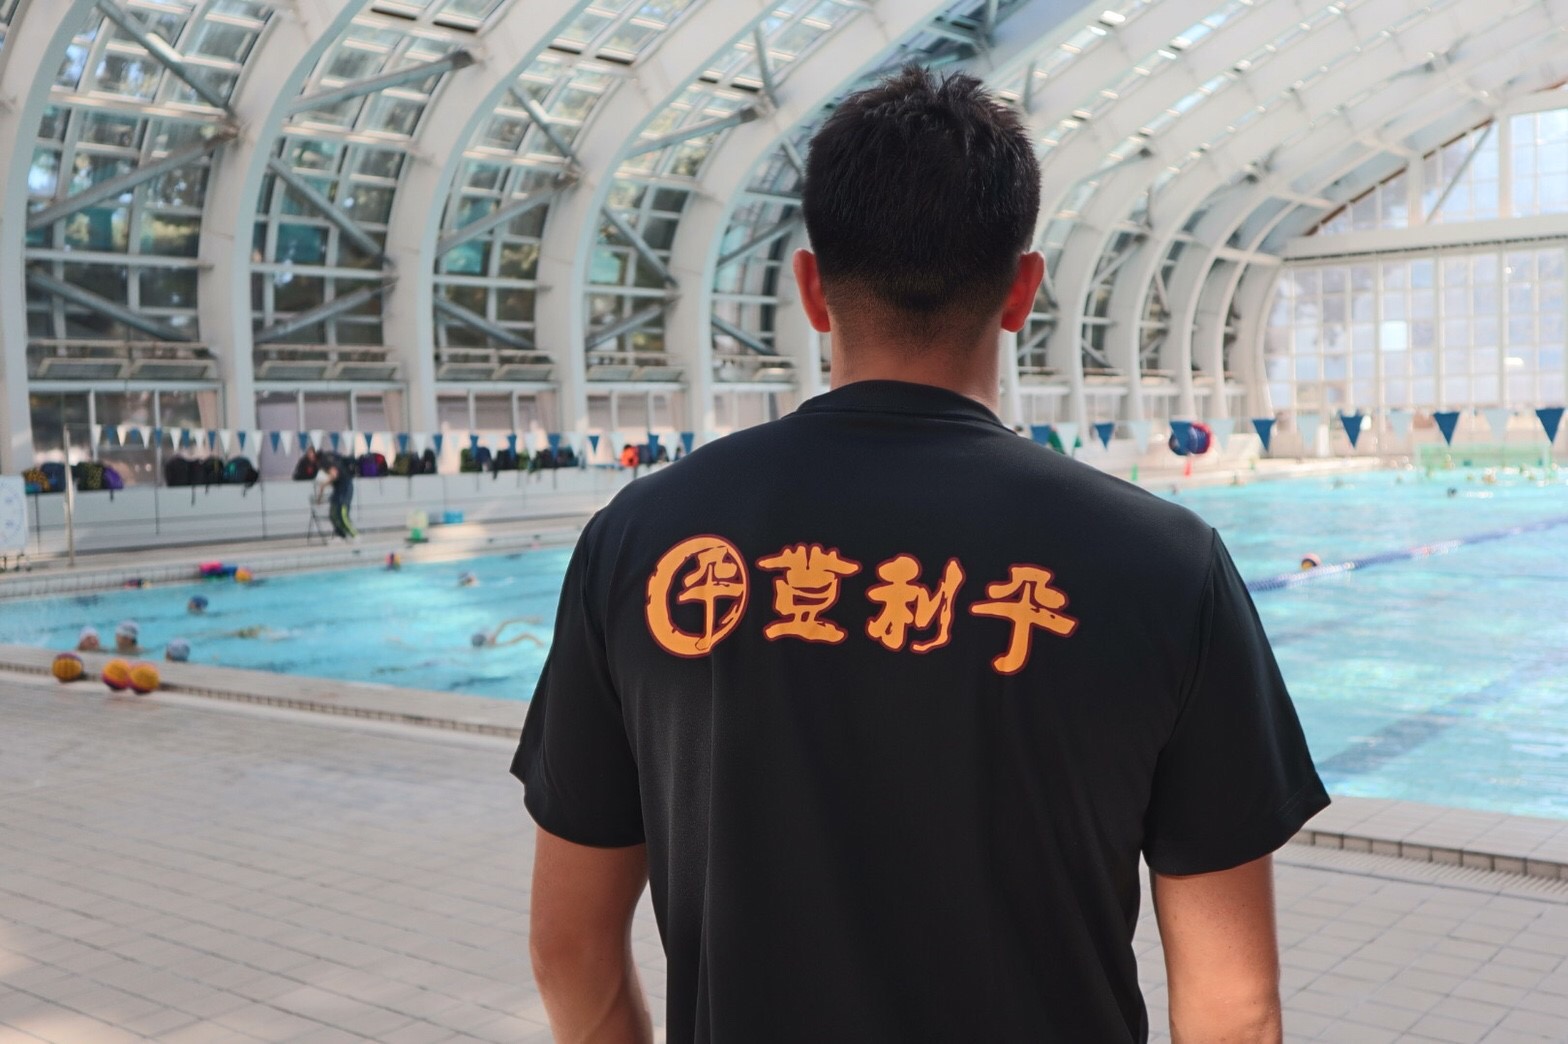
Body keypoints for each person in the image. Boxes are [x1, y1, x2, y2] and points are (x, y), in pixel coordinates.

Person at [514, 68, 1326, 1044]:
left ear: (811, 289)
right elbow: (1234, 1008)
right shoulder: (1167, 564)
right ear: (1022, 290)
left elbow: (569, 948)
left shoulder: (641, 542)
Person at [316, 455, 358, 541]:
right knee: (333, 514)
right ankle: (341, 535)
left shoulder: (326, 463)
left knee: (342, 513)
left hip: (345, 488)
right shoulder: (323, 468)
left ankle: (354, 534)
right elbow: (323, 487)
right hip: (338, 490)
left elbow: (334, 475)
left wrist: (324, 484)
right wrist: (319, 499)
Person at [471, 618, 544, 648]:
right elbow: (525, 635)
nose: (492, 636)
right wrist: (538, 642)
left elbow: (505, 622)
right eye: (490, 638)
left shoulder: (491, 638)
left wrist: (527, 620)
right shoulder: (497, 646)